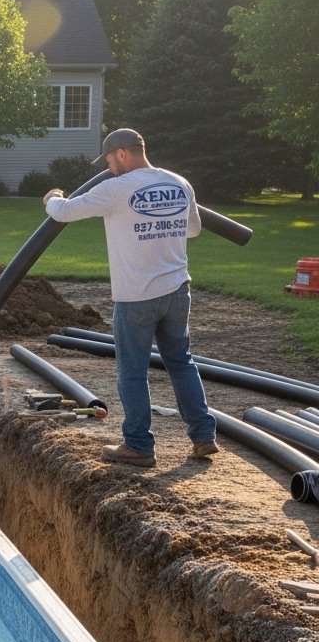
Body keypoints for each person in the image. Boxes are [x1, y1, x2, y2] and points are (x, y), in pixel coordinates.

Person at [43, 128, 220, 468]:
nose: (108, 167)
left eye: (109, 160)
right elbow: (193, 229)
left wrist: (51, 196)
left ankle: (138, 445)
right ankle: (203, 436)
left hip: (137, 295)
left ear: (122, 153)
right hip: (177, 290)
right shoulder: (179, 182)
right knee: (181, 362)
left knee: (132, 372)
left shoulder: (116, 188)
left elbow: (63, 211)